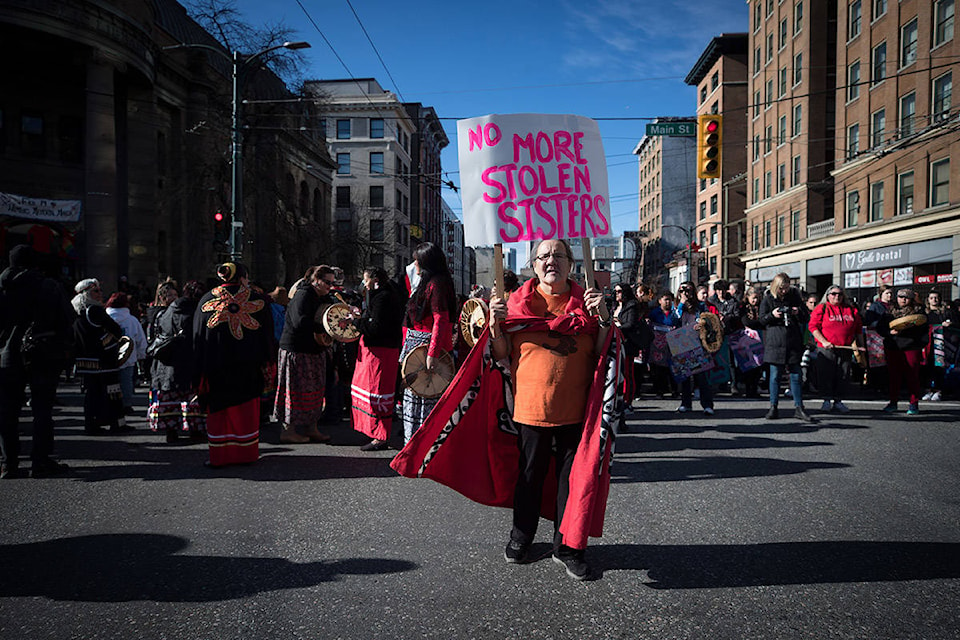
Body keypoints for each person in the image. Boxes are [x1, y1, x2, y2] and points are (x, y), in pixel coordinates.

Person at [489, 238, 612, 580]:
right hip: (530, 409)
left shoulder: (587, 304)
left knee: (571, 483)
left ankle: (567, 546)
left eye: (558, 254)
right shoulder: (516, 303)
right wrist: (495, 324)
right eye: (543, 256)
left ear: (571, 263)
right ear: (533, 265)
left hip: (577, 412)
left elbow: (603, 352)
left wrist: (603, 319)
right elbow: (500, 354)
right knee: (528, 478)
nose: (550, 260)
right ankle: (521, 537)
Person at [0, 246, 75, 479]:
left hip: (8, 354)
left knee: (7, 411)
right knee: (42, 408)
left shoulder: (2, 286)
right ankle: (39, 461)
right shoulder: (48, 286)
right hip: (42, 352)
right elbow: (67, 320)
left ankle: (8, 463)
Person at [193, 262, 274, 467]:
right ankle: (246, 454)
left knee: (220, 414)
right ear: (243, 277)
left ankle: (220, 457)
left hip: (216, 367)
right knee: (245, 412)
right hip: (248, 366)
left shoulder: (206, 299)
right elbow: (267, 336)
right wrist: (268, 362)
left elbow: (198, 337)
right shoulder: (259, 300)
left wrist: (199, 367)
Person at [273, 265, 337, 444]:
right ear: (315, 280)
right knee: (294, 390)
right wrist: (325, 328)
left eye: (332, 283)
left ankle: (312, 427)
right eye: (327, 282)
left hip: (313, 349)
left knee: (315, 390)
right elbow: (300, 322)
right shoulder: (303, 294)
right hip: (297, 350)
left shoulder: (321, 296)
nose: (329, 286)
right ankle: (288, 430)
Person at [400, 242, 457, 444]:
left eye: (417, 260)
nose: (414, 264)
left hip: (426, 348)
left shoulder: (436, 283)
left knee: (425, 398)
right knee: (417, 399)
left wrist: (432, 354)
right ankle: (417, 446)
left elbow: (440, 319)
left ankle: (421, 447)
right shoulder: (430, 281)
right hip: (418, 345)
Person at [351, 266, 405, 451]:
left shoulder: (383, 298)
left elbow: (375, 327)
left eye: (366, 280)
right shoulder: (387, 295)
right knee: (374, 390)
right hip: (381, 350)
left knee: (378, 391)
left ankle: (380, 435)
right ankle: (375, 432)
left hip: (380, 351)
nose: (364, 283)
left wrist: (357, 321)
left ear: (374, 280)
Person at [148, 280, 205, 443]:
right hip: (189, 361)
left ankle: (170, 431)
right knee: (191, 397)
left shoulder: (165, 312)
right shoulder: (195, 312)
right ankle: (195, 430)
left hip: (167, 362)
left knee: (169, 398)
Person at [759, 273, 815, 422]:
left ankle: (799, 407)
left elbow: (806, 317)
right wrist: (772, 315)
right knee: (775, 375)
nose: (783, 291)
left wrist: (797, 312)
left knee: (796, 375)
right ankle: (773, 407)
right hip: (775, 341)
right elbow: (762, 320)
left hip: (792, 340)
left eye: (786, 288)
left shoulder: (795, 298)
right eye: (781, 289)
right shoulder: (768, 299)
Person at [808, 286, 863, 414]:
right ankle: (826, 400)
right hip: (826, 348)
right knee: (826, 374)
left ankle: (838, 401)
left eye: (839, 294)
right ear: (828, 295)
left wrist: (860, 345)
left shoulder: (851, 310)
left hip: (845, 348)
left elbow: (858, 329)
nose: (836, 297)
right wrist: (824, 341)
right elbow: (813, 327)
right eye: (833, 294)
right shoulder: (822, 308)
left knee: (843, 375)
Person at [878, 288, 928, 415]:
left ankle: (913, 403)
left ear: (911, 299)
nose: (903, 299)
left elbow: (924, 332)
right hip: (893, 347)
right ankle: (893, 402)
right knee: (894, 376)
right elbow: (880, 328)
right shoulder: (889, 312)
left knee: (912, 376)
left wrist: (918, 343)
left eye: (906, 297)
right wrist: (889, 333)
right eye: (900, 297)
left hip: (911, 347)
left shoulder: (919, 312)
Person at [673, 282, 715, 415]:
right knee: (685, 376)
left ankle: (707, 404)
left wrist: (701, 324)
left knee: (701, 376)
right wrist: (681, 302)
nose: (686, 292)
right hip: (682, 343)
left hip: (697, 343)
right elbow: (675, 319)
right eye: (682, 290)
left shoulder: (701, 306)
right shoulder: (678, 306)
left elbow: (707, 319)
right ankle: (686, 403)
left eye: (688, 290)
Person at [105, 292, 148, 414]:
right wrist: (141, 354)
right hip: (128, 355)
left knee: (110, 382)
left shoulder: (105, 318)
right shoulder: (131, 320)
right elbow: (140, 338)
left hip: (109, 356)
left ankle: (111, 404)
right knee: (126, 381)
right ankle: (126, 404)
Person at [613, 283, 651, 414]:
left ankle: (628, 401)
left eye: (619, 291)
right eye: (616, 291)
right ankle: (618, 400)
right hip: (616, 343)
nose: (617, 293)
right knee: (617, 374)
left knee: (628, 373)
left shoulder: (631, 305)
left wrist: (617, 327)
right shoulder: (616, 306)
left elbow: (630, 324)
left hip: (628, 343)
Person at [922, 290, 951, 401]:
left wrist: (947, 324)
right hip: (927, 343)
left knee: (939, 367)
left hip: (941, 344)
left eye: (936, 297)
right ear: (928, 300)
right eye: (932, 298)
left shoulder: (945, 313)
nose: (934, 300)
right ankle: (927, 390)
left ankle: (938, 391)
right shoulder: (924, 313)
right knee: (926, 367)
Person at [648, 291, 677, 399]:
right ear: (660, 301)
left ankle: (674, 390)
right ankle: (659, 390)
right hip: (658, 345)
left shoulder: (675, 313)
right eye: (665, 299)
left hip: (672, 344)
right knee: (658, 369)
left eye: (669, 299)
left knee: (672, 368)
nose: (668, 302)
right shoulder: (655, 313)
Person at [738, 286, 764, 398]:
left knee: (759, 364)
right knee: (749, 364)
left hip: (760, 337)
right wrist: (758, 323)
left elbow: (763, 320)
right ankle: (748, 388)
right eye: (753, 298)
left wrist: (759, 323)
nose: (755, 301)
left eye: (757, 298)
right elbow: (746, 321)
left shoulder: (761, 307)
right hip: (747, 338)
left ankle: (755, 387)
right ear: (747, 297)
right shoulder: (743, 307)